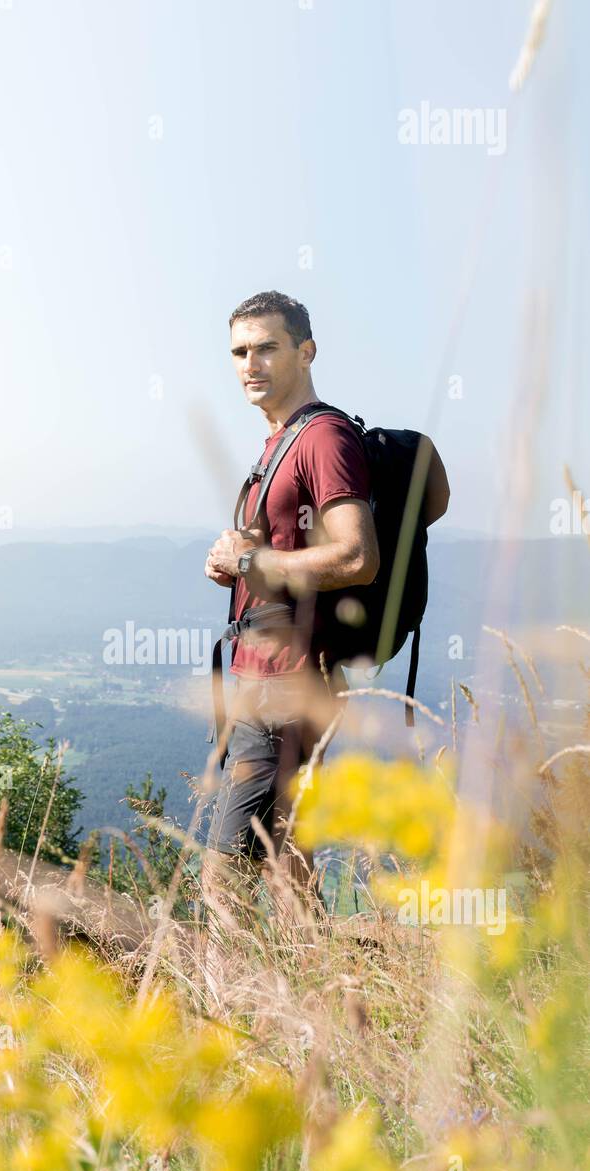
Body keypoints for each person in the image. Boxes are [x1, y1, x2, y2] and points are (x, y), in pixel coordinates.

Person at [202, 291, 380, 900]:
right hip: (268, 678)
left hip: (288, 683)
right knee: (288, 873)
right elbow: (286, 556)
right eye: (239, 351)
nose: (251, 363)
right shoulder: (280, 440)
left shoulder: (324, 438)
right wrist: (240, 565)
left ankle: (221, 997)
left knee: (221, 879)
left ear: (306, 351)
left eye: (268, 347)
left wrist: (250, 559)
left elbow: (358, 556)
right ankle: (321, 992)